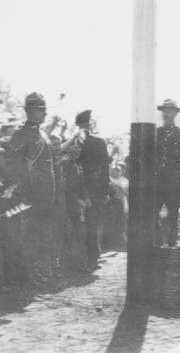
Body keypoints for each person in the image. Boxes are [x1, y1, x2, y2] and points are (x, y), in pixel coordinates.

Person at [4, 92, 58, 282]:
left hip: (46, 196)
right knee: (29, 235)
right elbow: (10, 166)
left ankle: (40, 271)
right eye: (41, 110)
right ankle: (29, 274)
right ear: (30, 111)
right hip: (30, 196)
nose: (45, 113)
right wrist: (22, 190)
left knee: (44, 233)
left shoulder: (42, 133)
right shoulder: (20, 134)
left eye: (44, 110)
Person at [75, 110, 110, 269]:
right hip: (86, 188)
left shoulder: (81, 142)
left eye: (85, 124)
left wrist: (105, 191)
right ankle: (90, 258)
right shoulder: (96, 141)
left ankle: (90, 259)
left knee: (89, 224)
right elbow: (105, 169)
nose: (85, 127)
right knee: (90, 224)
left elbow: (104, 168)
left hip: (87, 188)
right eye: (84, 124)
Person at [156, 99, 180, 247]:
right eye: (165, 111)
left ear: (175, 114)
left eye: (170, 111)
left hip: (174, 184)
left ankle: (171, 250)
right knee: (153, 216)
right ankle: (158, 248)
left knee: (172, 218)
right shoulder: (155, 133)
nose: (167, 114)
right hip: (157, 183)